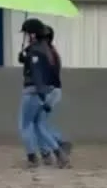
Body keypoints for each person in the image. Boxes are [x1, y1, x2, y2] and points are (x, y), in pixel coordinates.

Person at [18, 18, 68, 168]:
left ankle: (32, 158)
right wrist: (24, 59)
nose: (27, 36)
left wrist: (41, 94)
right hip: (44, 91)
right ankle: (58, 153)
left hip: (33, 91)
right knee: (39, 124)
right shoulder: (46, 50)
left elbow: (37, 73)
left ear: (33, 34)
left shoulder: (36, 51)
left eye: (28, 34)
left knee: (25, 125)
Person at [40, 26, 71, 161]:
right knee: (40, 122)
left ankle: (53, 147)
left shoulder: (46, 52)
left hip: (50, 91)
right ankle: (53, 145)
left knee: (38, 123)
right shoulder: (52, 51)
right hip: (54, 90)